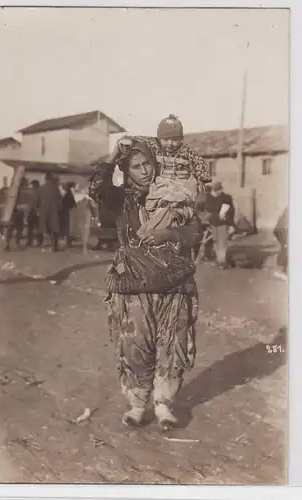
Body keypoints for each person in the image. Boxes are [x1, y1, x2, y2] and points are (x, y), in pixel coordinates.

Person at [89, 141, 202, 431]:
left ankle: (163, 404)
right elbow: (97, 187)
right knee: (135, 344)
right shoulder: (121, 200)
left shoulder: (176, 196)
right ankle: (138, 404)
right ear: (125, 172)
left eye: (147, 164)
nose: (144, 171)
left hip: (173, 283)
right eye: (136, 166)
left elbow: (195, 230)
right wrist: (114, 155)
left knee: (172, 344)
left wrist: (169, 233)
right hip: (134, 283)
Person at [119, 114, 212, 190]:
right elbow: (135, 139)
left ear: (181, 139)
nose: (170, 144)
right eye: (166, 139)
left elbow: (200, 165)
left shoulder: (187, 151)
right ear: (159, 138)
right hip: (159, 185)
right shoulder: (154, 144)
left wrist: (201, 180)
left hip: (180, 186)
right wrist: (127, 141)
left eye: (175, 140)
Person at [206, 181, 235, 268]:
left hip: (223, 223)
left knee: (222, 242)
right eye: (215, 190)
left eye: (217, 190)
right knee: (216, 241)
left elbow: (231, 211)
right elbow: (209, 209)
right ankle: (219, 260)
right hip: (214, 222)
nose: (216, 192)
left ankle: (222, 261)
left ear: (221, 189)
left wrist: (230, 224)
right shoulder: (210, 198)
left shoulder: (226, 198)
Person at [37, 172, 62, 252]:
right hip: (53, 209)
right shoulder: (55, 188)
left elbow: (37, 200)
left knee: (44, 227)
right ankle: (54, 246)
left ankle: (46, 244)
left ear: (45, 179)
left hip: (43, 209)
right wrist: (59, 209)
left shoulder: (41, 188)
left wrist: (38, 209)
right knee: (54, 228)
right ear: (51, 178)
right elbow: (59, 200)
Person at [60, 182, 77, 248]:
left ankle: (68, 242)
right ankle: (68, 243)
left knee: (67, 227)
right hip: (68, 212)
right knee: (68, 227)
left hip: (65, 212)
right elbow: (74, 204)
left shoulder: (67, 194)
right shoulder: (69, 194)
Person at [26, 180, 43, 247]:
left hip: (34, 212)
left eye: (33, 185)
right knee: (36, 228)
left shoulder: (35, 192)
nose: (32, 186)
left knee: (32, 228)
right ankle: (39, 241)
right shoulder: (38, 192)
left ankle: (31, 241)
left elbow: (35, 203)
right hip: (35, 212)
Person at [273, 206, 288, 280]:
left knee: (286, 247)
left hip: (282, 229)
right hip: (282, 229)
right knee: (286, 247)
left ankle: (282, 269)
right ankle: (280, 270)